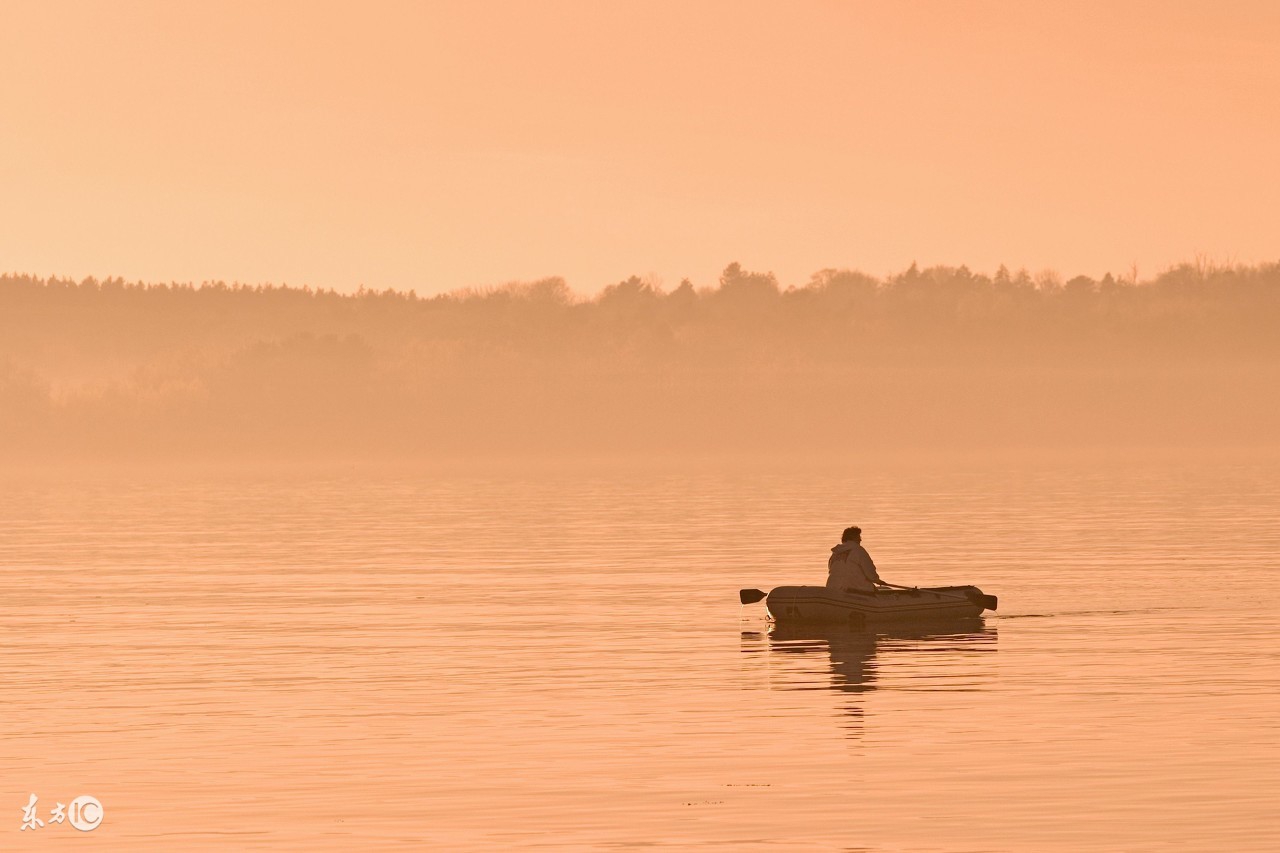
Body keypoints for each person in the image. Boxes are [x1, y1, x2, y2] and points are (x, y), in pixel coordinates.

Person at [826, 526, 885, 595]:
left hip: (834, 589)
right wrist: (877, 580)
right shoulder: (859, 550)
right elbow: (870, 572)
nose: (860, 540)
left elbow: (832, 571)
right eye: (858, 537)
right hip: (856, 589)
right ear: (853, 538)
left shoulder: (835, 553)